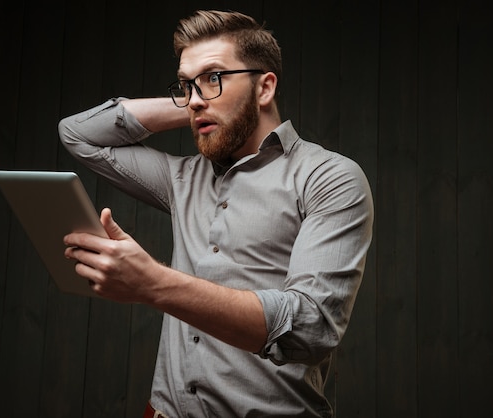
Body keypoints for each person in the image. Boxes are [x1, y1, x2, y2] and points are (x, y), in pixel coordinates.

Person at [58, 9, 373, 418]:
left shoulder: (329, 178)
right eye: (187, 84)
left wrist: (154, 282)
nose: (194, 97)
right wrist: (203, 104)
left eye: (213, 77)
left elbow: (310, 327)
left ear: (266, 88)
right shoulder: (182, 178)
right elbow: (78, 134)